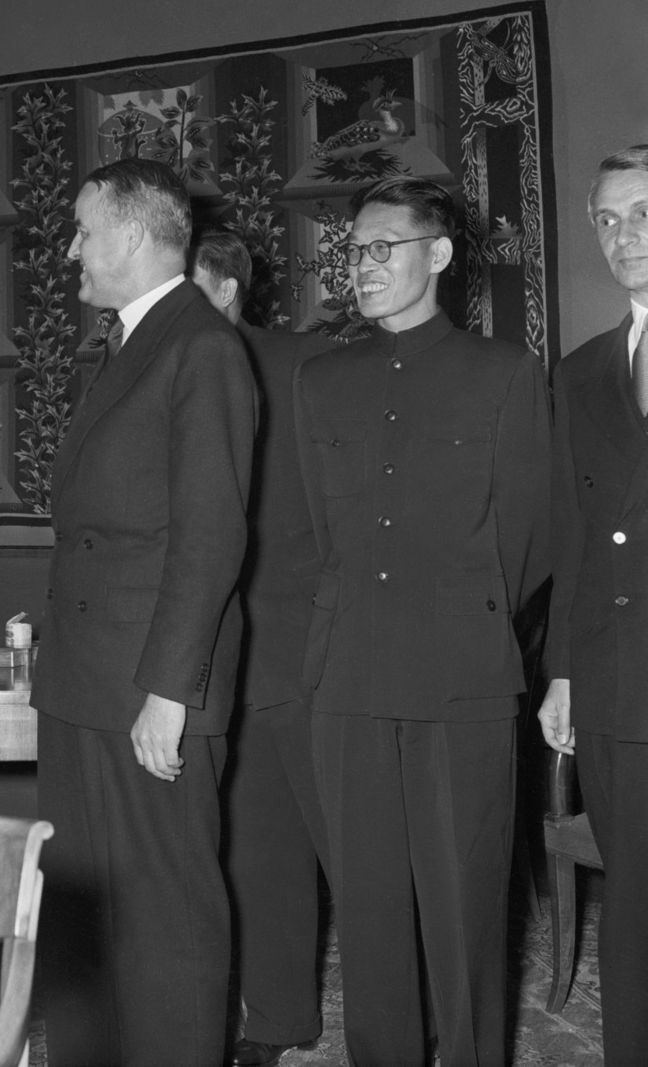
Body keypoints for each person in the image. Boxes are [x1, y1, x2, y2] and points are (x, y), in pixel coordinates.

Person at [293, 176, 549, 1067]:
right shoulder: (320, 382)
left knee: (465, 908)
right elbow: (324, 534)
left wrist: (458, 617)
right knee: (367, 913)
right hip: (346, 675)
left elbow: (528, 536)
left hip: (461, 673)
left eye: (381, 248)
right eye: (351, 251)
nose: (359, 267)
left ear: (437, 255)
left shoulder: (503, 373)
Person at [32, 160, 257, 1067]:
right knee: (85, 911)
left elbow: (211, 534)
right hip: (89, 683)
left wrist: (170, 690)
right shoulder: (133, 342)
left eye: (83, 232)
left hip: (148, 691)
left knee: (165, 921)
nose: (73, 250)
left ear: (129, 236)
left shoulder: (200, 345)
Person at [192, 230, 332, 1067]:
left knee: (359, 846)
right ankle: (278, 1019)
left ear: (226, 288)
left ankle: (415, 1016)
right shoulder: (152, 367)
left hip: (309, 646)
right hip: (213, 661)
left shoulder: (308, 365)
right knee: (258, 845)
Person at [539, 145, 648, 1066]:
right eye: (608, 220)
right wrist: (564, 671)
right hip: (619, 681)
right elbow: (572, 534)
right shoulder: (580, 374)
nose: (625, 236)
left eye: (644, 211)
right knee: (636, 903)